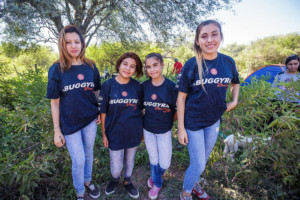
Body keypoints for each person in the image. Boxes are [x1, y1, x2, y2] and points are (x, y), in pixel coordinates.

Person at [177, 20, 240, 200]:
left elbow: (236, 83)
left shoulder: (228, 62)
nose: (209, 39)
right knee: (198, 165)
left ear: (221, 37)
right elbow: (181, 98)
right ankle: (185, 193)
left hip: (214, 121)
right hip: (193, 123)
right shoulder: (190, 65)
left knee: (202, 162)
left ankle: (195, 184)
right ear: (198, 41)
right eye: (204, 36)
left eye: (214, 34)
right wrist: (181, 128)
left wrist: (234, 101)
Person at [46, 25, 101, 200]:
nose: (73, 46)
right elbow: (55, 103)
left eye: (77, 41)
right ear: (63, 45)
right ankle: (80, 192)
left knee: (89, 152)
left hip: (90, 120)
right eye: (68, 42)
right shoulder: (56, 69)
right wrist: (57, 131)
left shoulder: (90, 66)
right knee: (78, 160)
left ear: (82, 43)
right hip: (69, 124)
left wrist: (99, 110)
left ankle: (87, 181)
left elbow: (97, 91)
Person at [99, 52, 144, 199]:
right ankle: (115, 179)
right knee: (116, 166)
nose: (128, 68)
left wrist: (142, 131)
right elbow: (103, 112)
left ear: (135, 70)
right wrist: (104, 133)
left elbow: (142, 110)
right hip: (114, 132)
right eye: (125, 64)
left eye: (132, 66)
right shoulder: (108, 85)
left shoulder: (137, 87)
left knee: (130, 159)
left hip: (133, 131)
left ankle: (127, 181)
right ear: (119, 65)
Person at [142, 53, 178, 199]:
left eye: (155, 65)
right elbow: (139, 109)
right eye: (148, 67)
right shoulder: (143, 86)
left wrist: (169, 122)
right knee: (153, 158)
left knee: (165, 162)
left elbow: (177, 110)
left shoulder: (171, 87)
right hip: (148, 129)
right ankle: (157, 183)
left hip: (164, 130)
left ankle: (155, 175)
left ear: (162, 65)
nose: (152, 70)